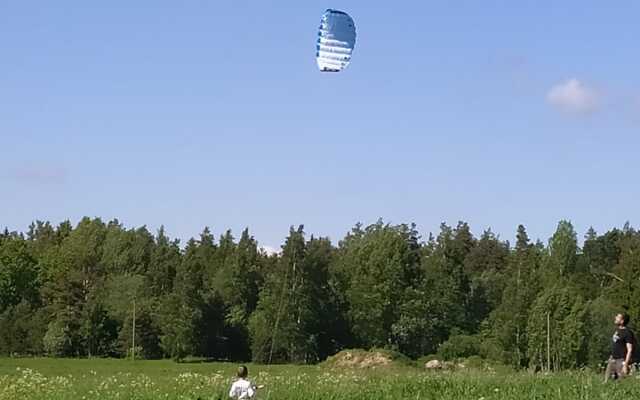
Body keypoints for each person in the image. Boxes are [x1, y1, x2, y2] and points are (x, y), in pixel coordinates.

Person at [605, 312, 635, 382]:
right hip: (612, 359)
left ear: (622, 321)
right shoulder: (617, 330)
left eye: (618, 317)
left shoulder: (627, 333)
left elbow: (629, 349)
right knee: (607, 382)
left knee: (620, 382)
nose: (615, 318)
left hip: (621, 361)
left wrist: (626, 364)